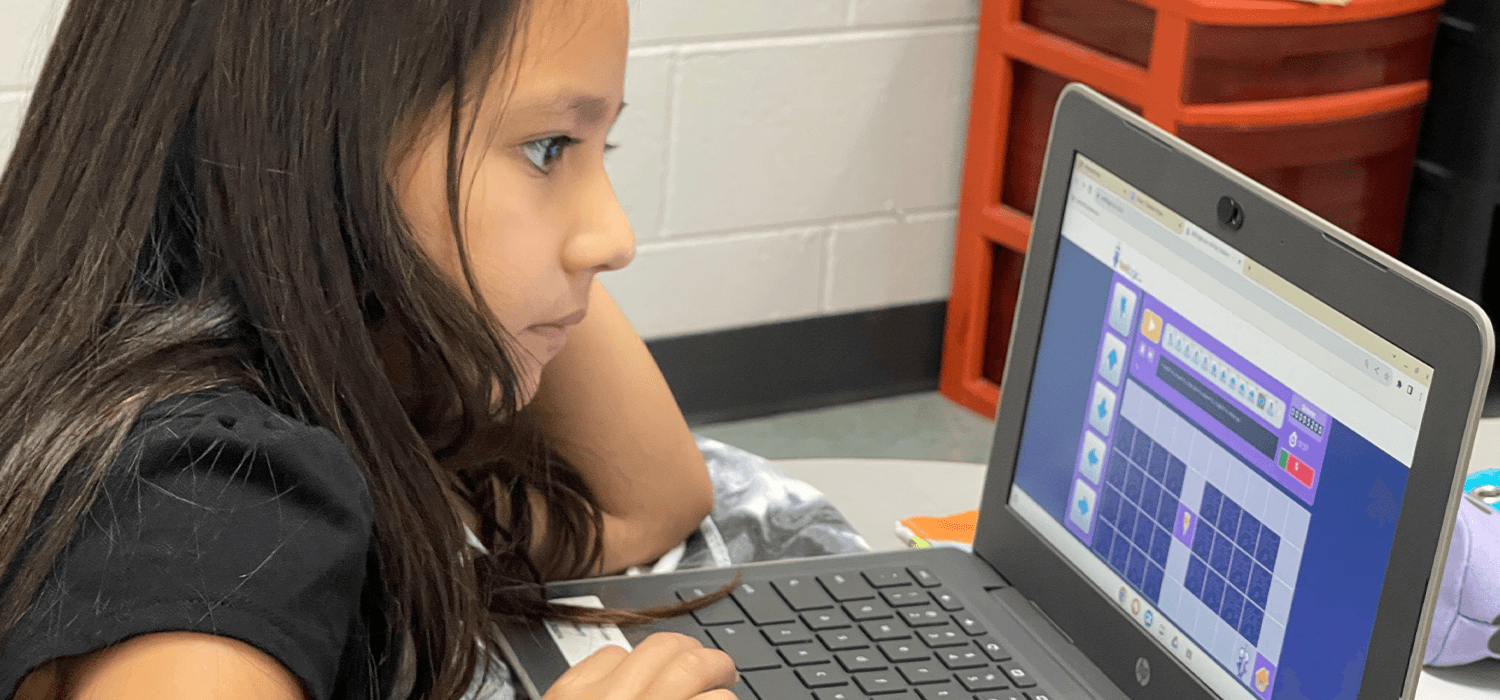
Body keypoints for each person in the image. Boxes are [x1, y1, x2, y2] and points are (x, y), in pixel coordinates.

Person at [0, 0, 740, 698]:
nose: (614, 238)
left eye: (598, 145)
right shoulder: (216, 499)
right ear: (316, 150)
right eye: (549, 148)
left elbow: (646, 505)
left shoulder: (139, 347)